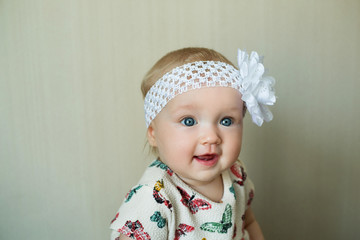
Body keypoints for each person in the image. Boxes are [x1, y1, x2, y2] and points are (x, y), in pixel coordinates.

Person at [110, 47, 276, 240]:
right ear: (153, 134)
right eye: (189, 121)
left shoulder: (236, 174)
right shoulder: (154, 198)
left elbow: (248, 222)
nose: (211, 137)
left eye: (226, 121)